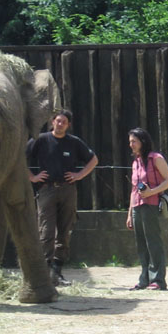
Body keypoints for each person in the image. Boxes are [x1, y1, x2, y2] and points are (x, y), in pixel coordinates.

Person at [28, 109, 98, 286]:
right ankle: (44, 272)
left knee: (65, 230)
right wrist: (32, 177)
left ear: (68, 125)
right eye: (58, 121)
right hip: (46, 190)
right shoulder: (41, 139)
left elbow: (93, 159)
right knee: (46, 231)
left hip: (68, 190)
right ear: (52, 122)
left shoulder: (73, 143)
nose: (60, 124)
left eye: (64, 122)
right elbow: (21, 158)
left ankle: (57, 272)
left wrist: (80, 175)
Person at [126, 128, 168, 290]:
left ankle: (158, 280)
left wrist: (151, 192)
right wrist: (129, 214)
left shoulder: (156, 159)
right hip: (137, 207)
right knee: (141, 244)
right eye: (130, 141)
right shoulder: (136, 162)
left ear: (143, 142)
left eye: (134, 141)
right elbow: (134, 190)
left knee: (153, 242)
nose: (131, 144)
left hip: (151, 205)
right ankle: (144, 279)